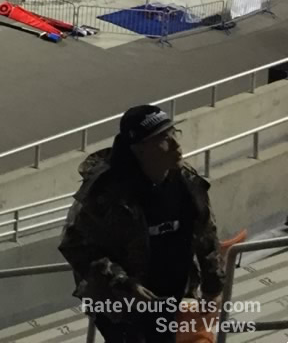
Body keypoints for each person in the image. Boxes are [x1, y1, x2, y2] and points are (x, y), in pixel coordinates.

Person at [58, 105, 223, 343]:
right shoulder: (105, 193)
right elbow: (75, 246)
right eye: (162, 139)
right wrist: (123, 284)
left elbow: (206, 232)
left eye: (174, 133)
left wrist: (212, 286)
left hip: (169, 297)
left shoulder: (186, 182)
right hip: (122, 307)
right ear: (140, 149)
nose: (176, 145)